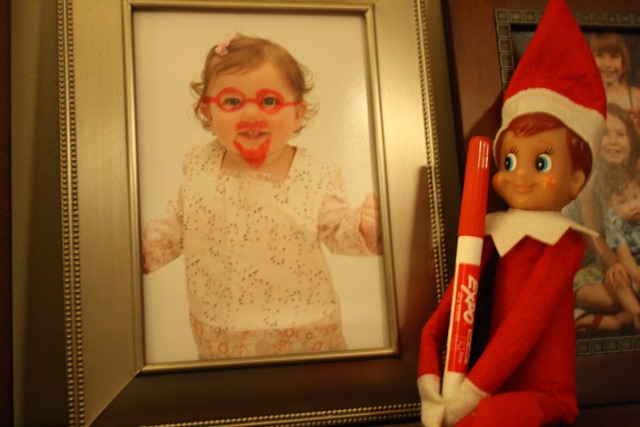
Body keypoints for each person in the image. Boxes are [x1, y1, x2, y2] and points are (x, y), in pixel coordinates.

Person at [417, 0, 606, 425]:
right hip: (495, 384)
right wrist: (428, 367)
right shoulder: (493, 232)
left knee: (483, 420)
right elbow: (453, 304)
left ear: (575, 181)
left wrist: (471, 391)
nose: (519, 176)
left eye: (541, 162)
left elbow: (525, 325)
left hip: (546, 393)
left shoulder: (564, 244)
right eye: (509, 161)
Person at [141, 34, 381, 359]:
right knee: (230, 389)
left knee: (315, 387)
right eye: (232, 102)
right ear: (208, 113)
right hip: (220, 332)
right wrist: (131, 253)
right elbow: (177, 226)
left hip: (307, 331)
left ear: (298, 113)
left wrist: (365, 227)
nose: (251, 114)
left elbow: (339, 231)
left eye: (269, 101)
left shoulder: (314, 174)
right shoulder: (200, 165)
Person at [575, 165, 640, 332]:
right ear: (613, 207)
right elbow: (625, 258)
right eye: (623, 202)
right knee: (618, 280)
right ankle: (635, 314)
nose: (633, 205)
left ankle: (618, 319)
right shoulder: (617, 225)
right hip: (627, 272)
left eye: (636, 197)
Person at [588, 32, 640, 129]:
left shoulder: (636, 97)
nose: (608, 64)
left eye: (614, 56)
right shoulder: (583, 97)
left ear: (623, 60)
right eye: (600, 56)